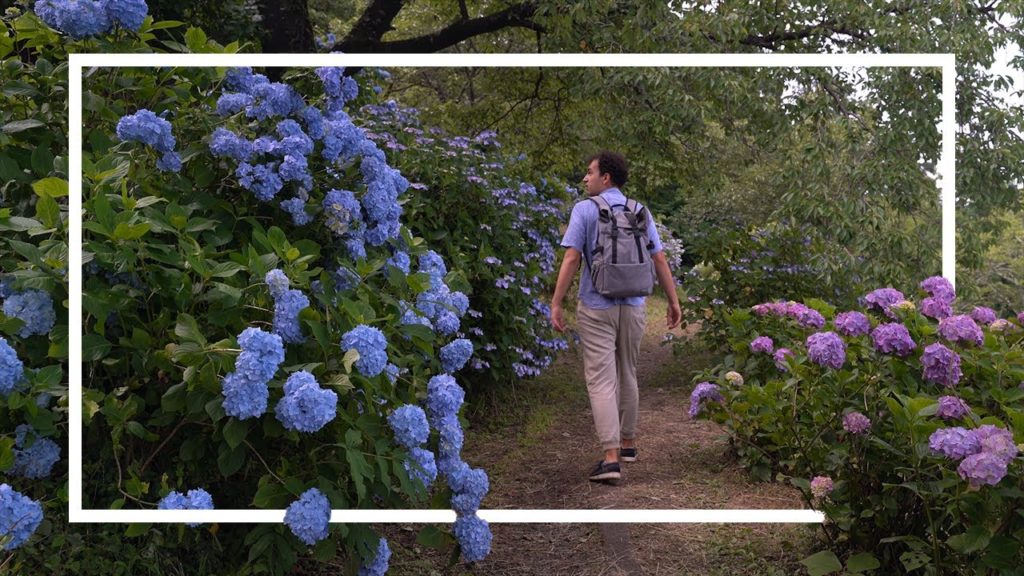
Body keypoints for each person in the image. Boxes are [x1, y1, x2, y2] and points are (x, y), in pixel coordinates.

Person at [550, 151, 682, 482]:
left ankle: (610, 459)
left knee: (600, 379)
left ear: (605, 177)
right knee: (628, 372)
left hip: (597, 305)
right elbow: (660, 259)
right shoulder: (640, 211)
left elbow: (571, 258)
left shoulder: (584, 210)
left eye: (589, 172)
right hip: (635, 305)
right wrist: (673, 300)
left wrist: (556, 302)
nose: (585, 178)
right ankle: (628, 444)